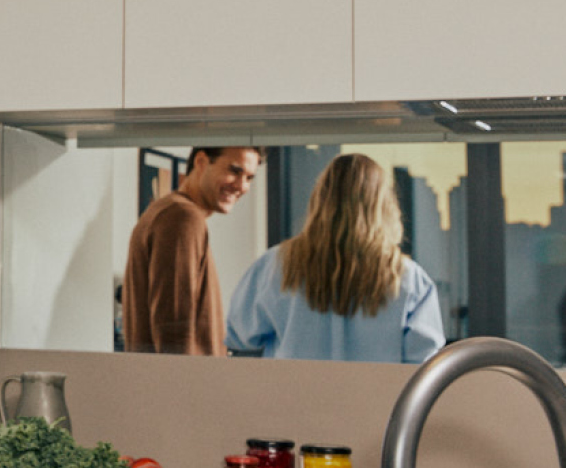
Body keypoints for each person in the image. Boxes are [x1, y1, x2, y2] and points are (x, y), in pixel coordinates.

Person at [225, 153, 445, 363]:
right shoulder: (409, 278)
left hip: (290, 399)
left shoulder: (275, 265)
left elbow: (240, 341)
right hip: (380, 401)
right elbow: (424, 363)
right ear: (384, 205)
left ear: (321, 199)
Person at [122, 146, 261, 355]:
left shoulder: (168, 210)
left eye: (249, 178)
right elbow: (175, 330)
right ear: (201, 162)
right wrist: (188, 386)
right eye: (234, 171)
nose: (242, 186)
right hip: (184, 384)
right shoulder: (182, 217)